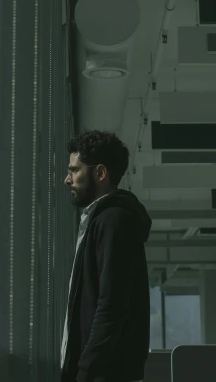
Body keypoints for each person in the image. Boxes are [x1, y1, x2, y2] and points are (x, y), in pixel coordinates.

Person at [60, 130, 152, 382]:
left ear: (100, 173)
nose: (67, 179)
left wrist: (87, 372)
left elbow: (112, 304)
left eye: (74, 170)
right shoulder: (103, 220)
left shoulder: (113, 221)